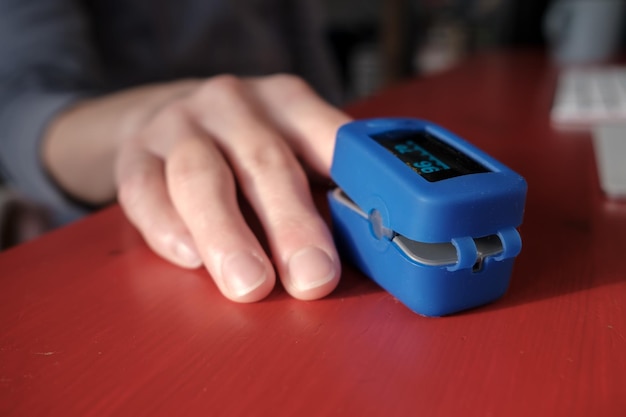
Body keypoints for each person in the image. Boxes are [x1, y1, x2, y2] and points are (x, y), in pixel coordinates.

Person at [0, 0, 351, 302]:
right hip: (101, 241)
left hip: (294, 179)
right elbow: (18, 112)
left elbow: (307, 60)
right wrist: (147, 120)